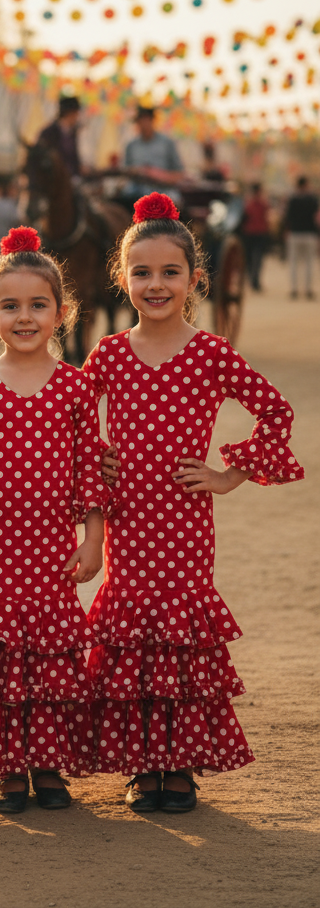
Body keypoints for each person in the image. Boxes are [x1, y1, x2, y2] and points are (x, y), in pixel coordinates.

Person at [84, 192, 303, 813]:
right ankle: (142, 760)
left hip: (184, 522)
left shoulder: (210, 352)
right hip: (128, 519)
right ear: (122, 278)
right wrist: (97, 459)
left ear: (194, 279)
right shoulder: (109, 354)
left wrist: (230, 473)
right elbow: (72, 420)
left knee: (179, 630)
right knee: (133, 628)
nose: (156, 284)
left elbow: (275, 410)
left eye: (169, 272)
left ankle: (179, 763)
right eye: (142, 272)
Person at [0, 227, 108, 813]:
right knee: (2, 658)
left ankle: (49, 763)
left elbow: (90, 470)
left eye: (38, 306)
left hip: (53, 548)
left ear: (62, 313)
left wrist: (94, 539)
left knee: (53, 654)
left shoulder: (77, 388)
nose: (25, 317)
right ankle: (10, 767)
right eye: (11, 306)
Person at [120, 106, 184, 207]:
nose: (142, 124)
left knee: (174, 202)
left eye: (145, 120)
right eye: (140, 121)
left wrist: (157, 175)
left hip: (163, 189)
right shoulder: (131, 146)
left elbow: (179, 174)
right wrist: (135, 172)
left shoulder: (167, 143)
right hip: (137, 189)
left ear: (152, 121)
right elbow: (125, 172)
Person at [282, 176, 319, 299]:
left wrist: (285, 231)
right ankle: (308, 289)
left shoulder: (292, 199)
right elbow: (316, 218)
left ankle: (294, 289)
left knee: (294, 263)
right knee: (309, 263)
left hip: (295, 233)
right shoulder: (312, 199)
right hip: (309, 234)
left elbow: (287, 217)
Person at [34, 95, 83, 181]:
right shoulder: (48, 133)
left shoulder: (72, 132)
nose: (77, 117)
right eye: (76, 114)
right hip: (53, 181)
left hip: (72, 179)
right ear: (70, 113)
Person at [241, 183, 270, 292]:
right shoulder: (263, 204)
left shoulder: (248, 204)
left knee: (249, 258)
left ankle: (252, 279)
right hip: (260, 233)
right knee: (258, 258)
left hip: (249, 233)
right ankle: (255, 280)